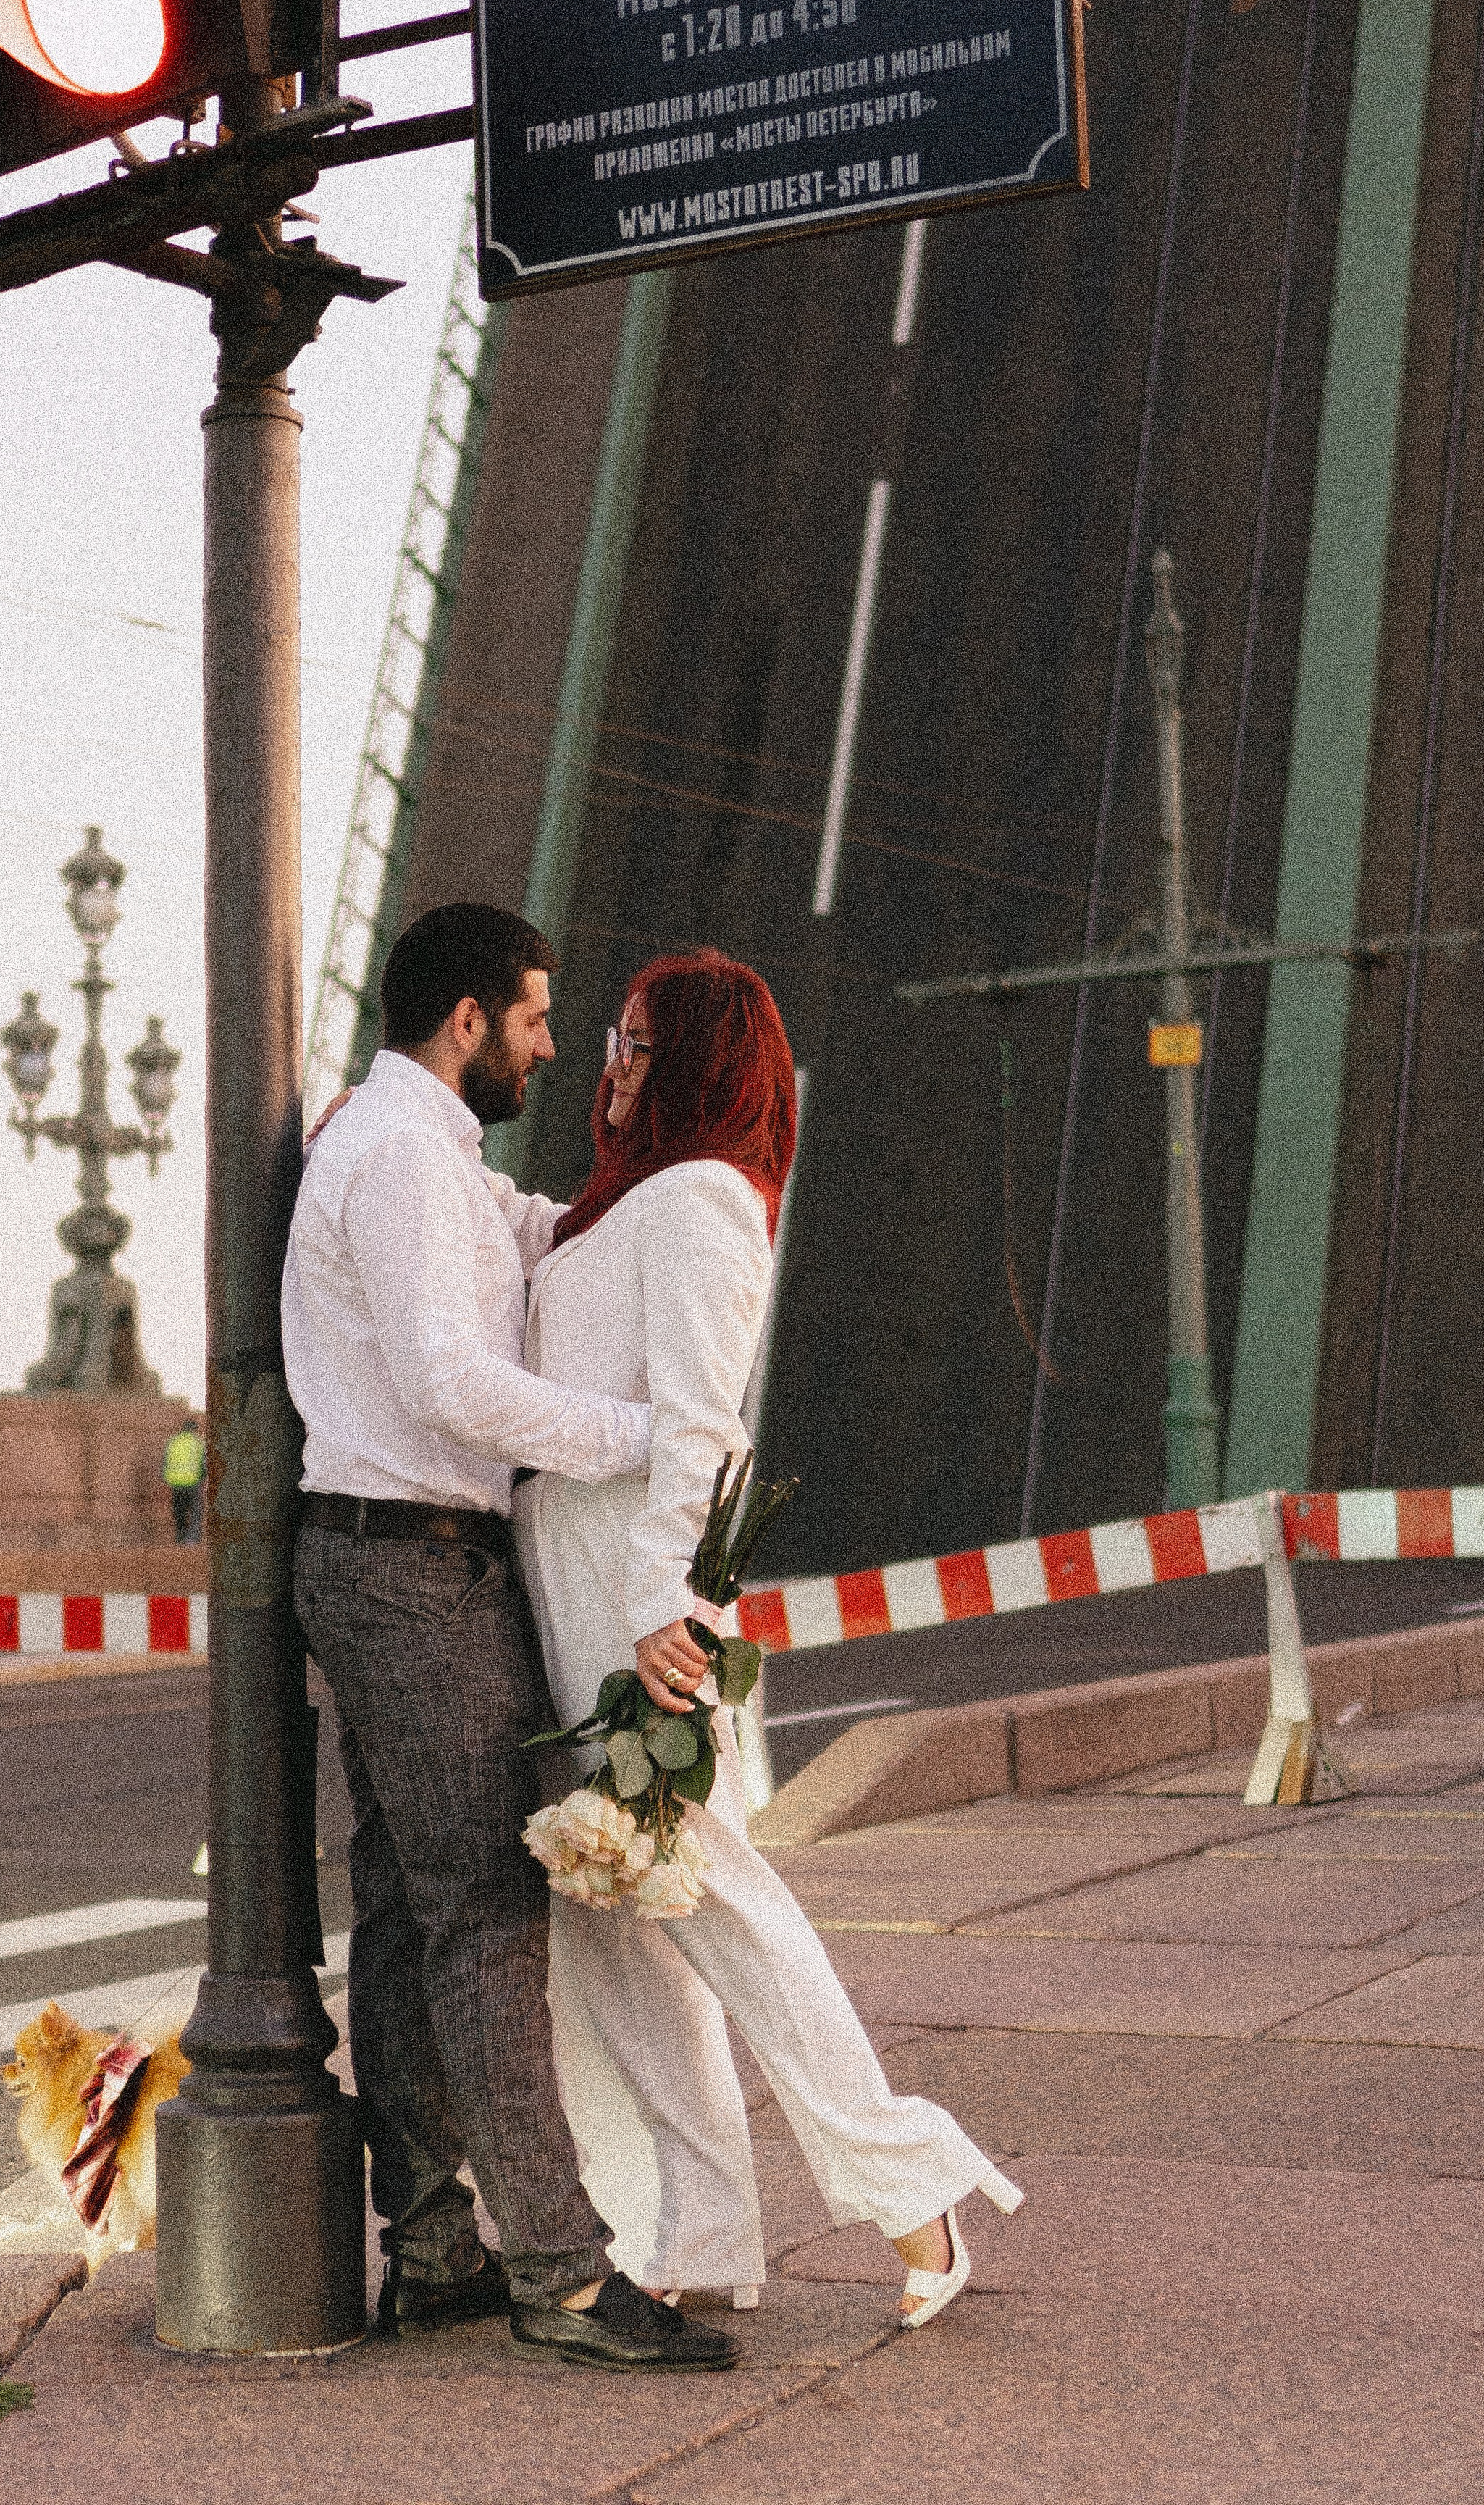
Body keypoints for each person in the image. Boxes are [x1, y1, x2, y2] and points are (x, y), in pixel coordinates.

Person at [513, 950, 1023, 2328]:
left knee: (713, 1895)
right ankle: (700, 2232)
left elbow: (704, 1424)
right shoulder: (617, 1206)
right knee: (626, 1921)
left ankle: (910, 2184)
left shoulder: (699, 1202)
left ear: (690, 1062)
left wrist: (662, 1607)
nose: (607, 1066)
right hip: (578, 1582)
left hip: (638, 1597)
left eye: (632, 1044)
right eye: (610, 1040)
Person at [282, 903, 739, 2373]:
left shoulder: (426, 1153)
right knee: (486, 1908)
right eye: (537, 1020)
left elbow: (531, 1240)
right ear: (468, 1022)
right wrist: (640, 1434)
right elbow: (443, 1380)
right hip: (410, 1568)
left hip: (384, 1562)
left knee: (420, 1915)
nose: (553, 1044)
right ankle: (560, 2269)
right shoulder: (406, 1154)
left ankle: (429, 2248)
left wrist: (627, 1210)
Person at [162, 1413, 205, 1544]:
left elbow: (165, 1464)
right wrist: (203, 1479)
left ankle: (180, 1540)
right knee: (195, 1513)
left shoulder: (173, 1442)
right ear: (194, 1430)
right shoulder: (198, 1443)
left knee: (179, 1513)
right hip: (193, 1484)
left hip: (175, 1484)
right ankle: (192, 1541)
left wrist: (167, 1480)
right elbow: (204, 1465)